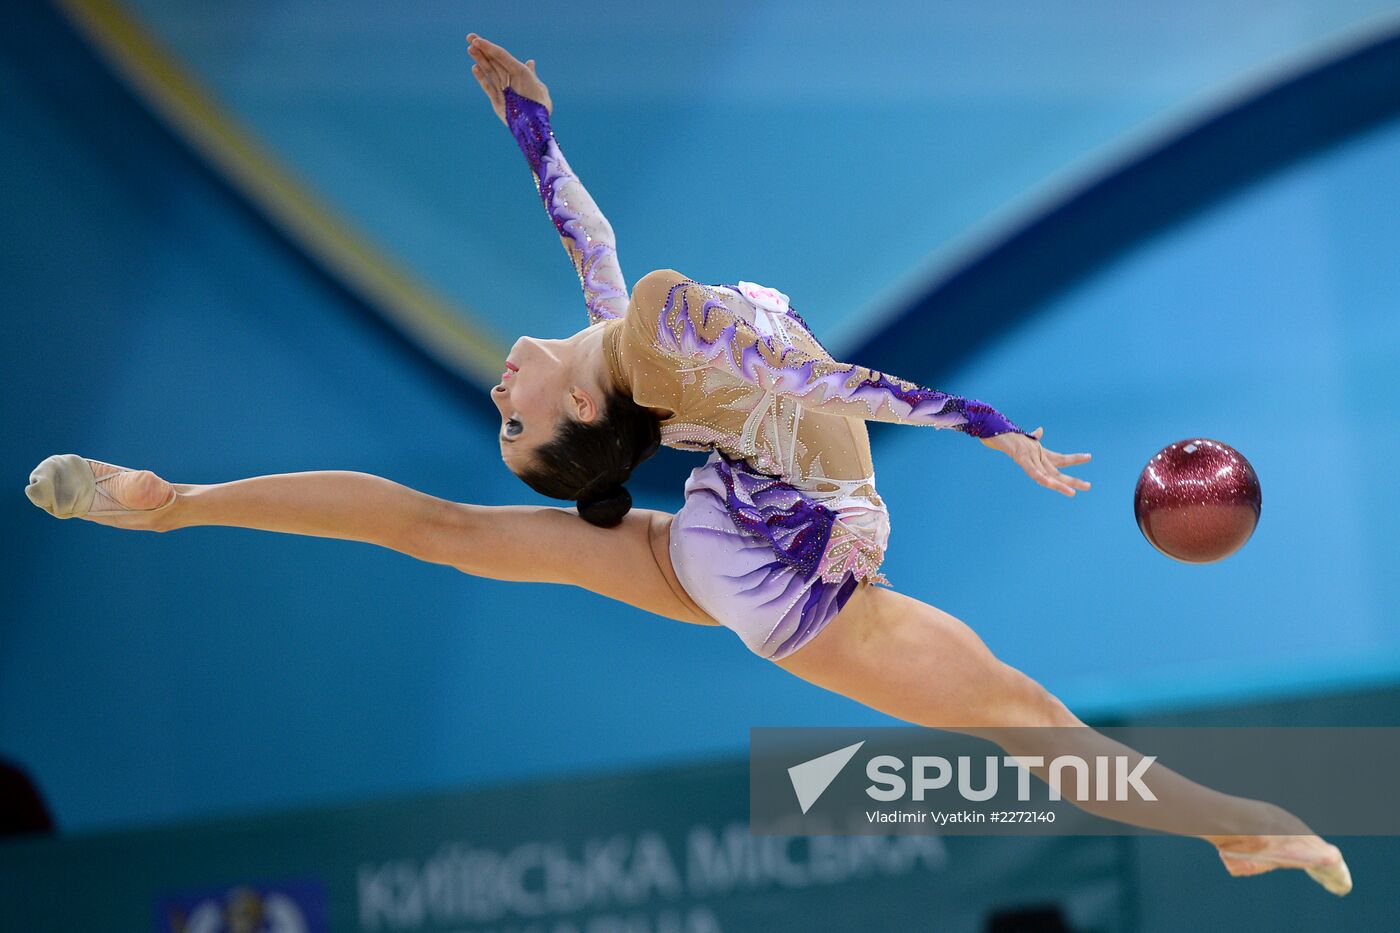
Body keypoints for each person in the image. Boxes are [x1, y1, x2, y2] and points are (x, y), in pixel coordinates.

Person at [23, 33, 1350, 895]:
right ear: (578, 418)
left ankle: (169, 506)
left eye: (503, 412)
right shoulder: (651, 336)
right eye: (512, 419)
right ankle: (1236, 819)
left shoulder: (634, 337)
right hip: (792, 572)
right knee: (1033, 722)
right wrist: (987, 429)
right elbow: (833, 383)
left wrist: (530, 127)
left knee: (444, 529)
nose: (501, 388)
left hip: (727, 539)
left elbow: (583, 241)